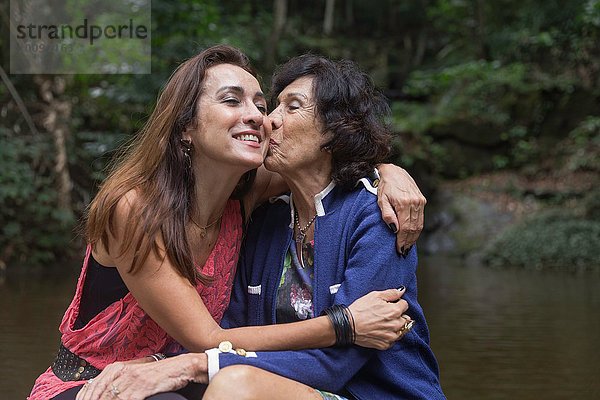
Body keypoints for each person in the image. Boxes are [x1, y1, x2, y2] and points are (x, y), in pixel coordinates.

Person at [28, 45, 425, 400]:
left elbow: (333, 164)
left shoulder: (251, 197)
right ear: (186, 126)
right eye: (233, 101)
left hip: (192, 373)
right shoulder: (139, 209)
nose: (261, 118)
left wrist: (387, 172)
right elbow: (213, 338)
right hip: (98, 380)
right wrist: (343, 324)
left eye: (262, 104)